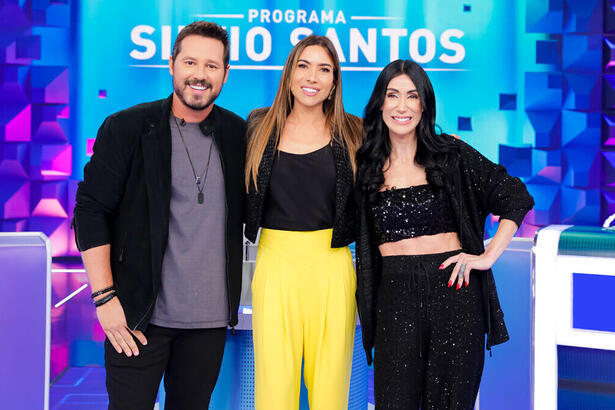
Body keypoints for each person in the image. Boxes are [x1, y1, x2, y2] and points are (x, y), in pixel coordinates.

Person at [73, 21, 246, 410]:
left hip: (209, 323)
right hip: (137, 318)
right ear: (171, 65)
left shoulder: (238, 134)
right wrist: (105, 300)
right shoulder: (127, 128)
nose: (199, 75)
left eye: (212, 66)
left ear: (225, 73)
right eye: (190, 62)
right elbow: (90, 211)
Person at [355, 60, 534, 410]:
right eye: (393, 95)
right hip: (394, 298)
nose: (402, 106)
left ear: (424, 104)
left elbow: (514, 195)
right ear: (380, 103)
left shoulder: (450, 155)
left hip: (454, 293)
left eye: (412, 96)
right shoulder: (365, 164)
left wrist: (487, 256)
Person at [243, 35, 363, 410]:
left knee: (330, 391)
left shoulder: (355, 131)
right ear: (290, 74)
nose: (313, 77)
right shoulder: (258, 125)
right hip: (275, 268)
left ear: (334, 82)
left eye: (324, 69)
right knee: (275, 391)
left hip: (333, 267)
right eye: (304, 65)